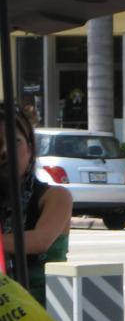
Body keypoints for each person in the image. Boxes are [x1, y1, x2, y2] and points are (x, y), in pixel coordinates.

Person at [0, 104, 72, 306]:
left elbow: (41, 240)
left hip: (46, 314)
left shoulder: (56, 197)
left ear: (30, 150)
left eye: (15, 142)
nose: (5, 151)